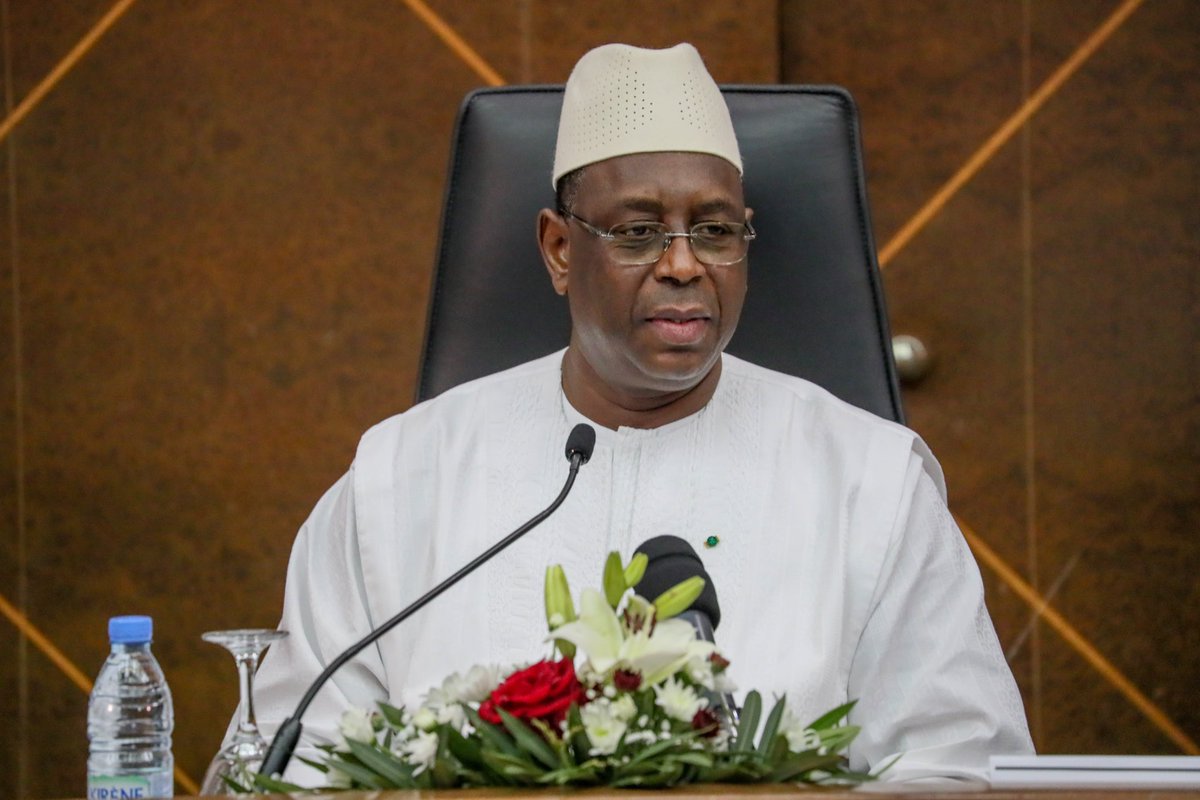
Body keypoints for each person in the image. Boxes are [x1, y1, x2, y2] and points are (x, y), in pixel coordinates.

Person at [247, 42, 1033, 784]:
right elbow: (294, 762)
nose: (685, 264)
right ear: (559, 249)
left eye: (716, 230)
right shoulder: (402, 477)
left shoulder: (869, 481)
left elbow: (962, 765)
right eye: (639, 231)